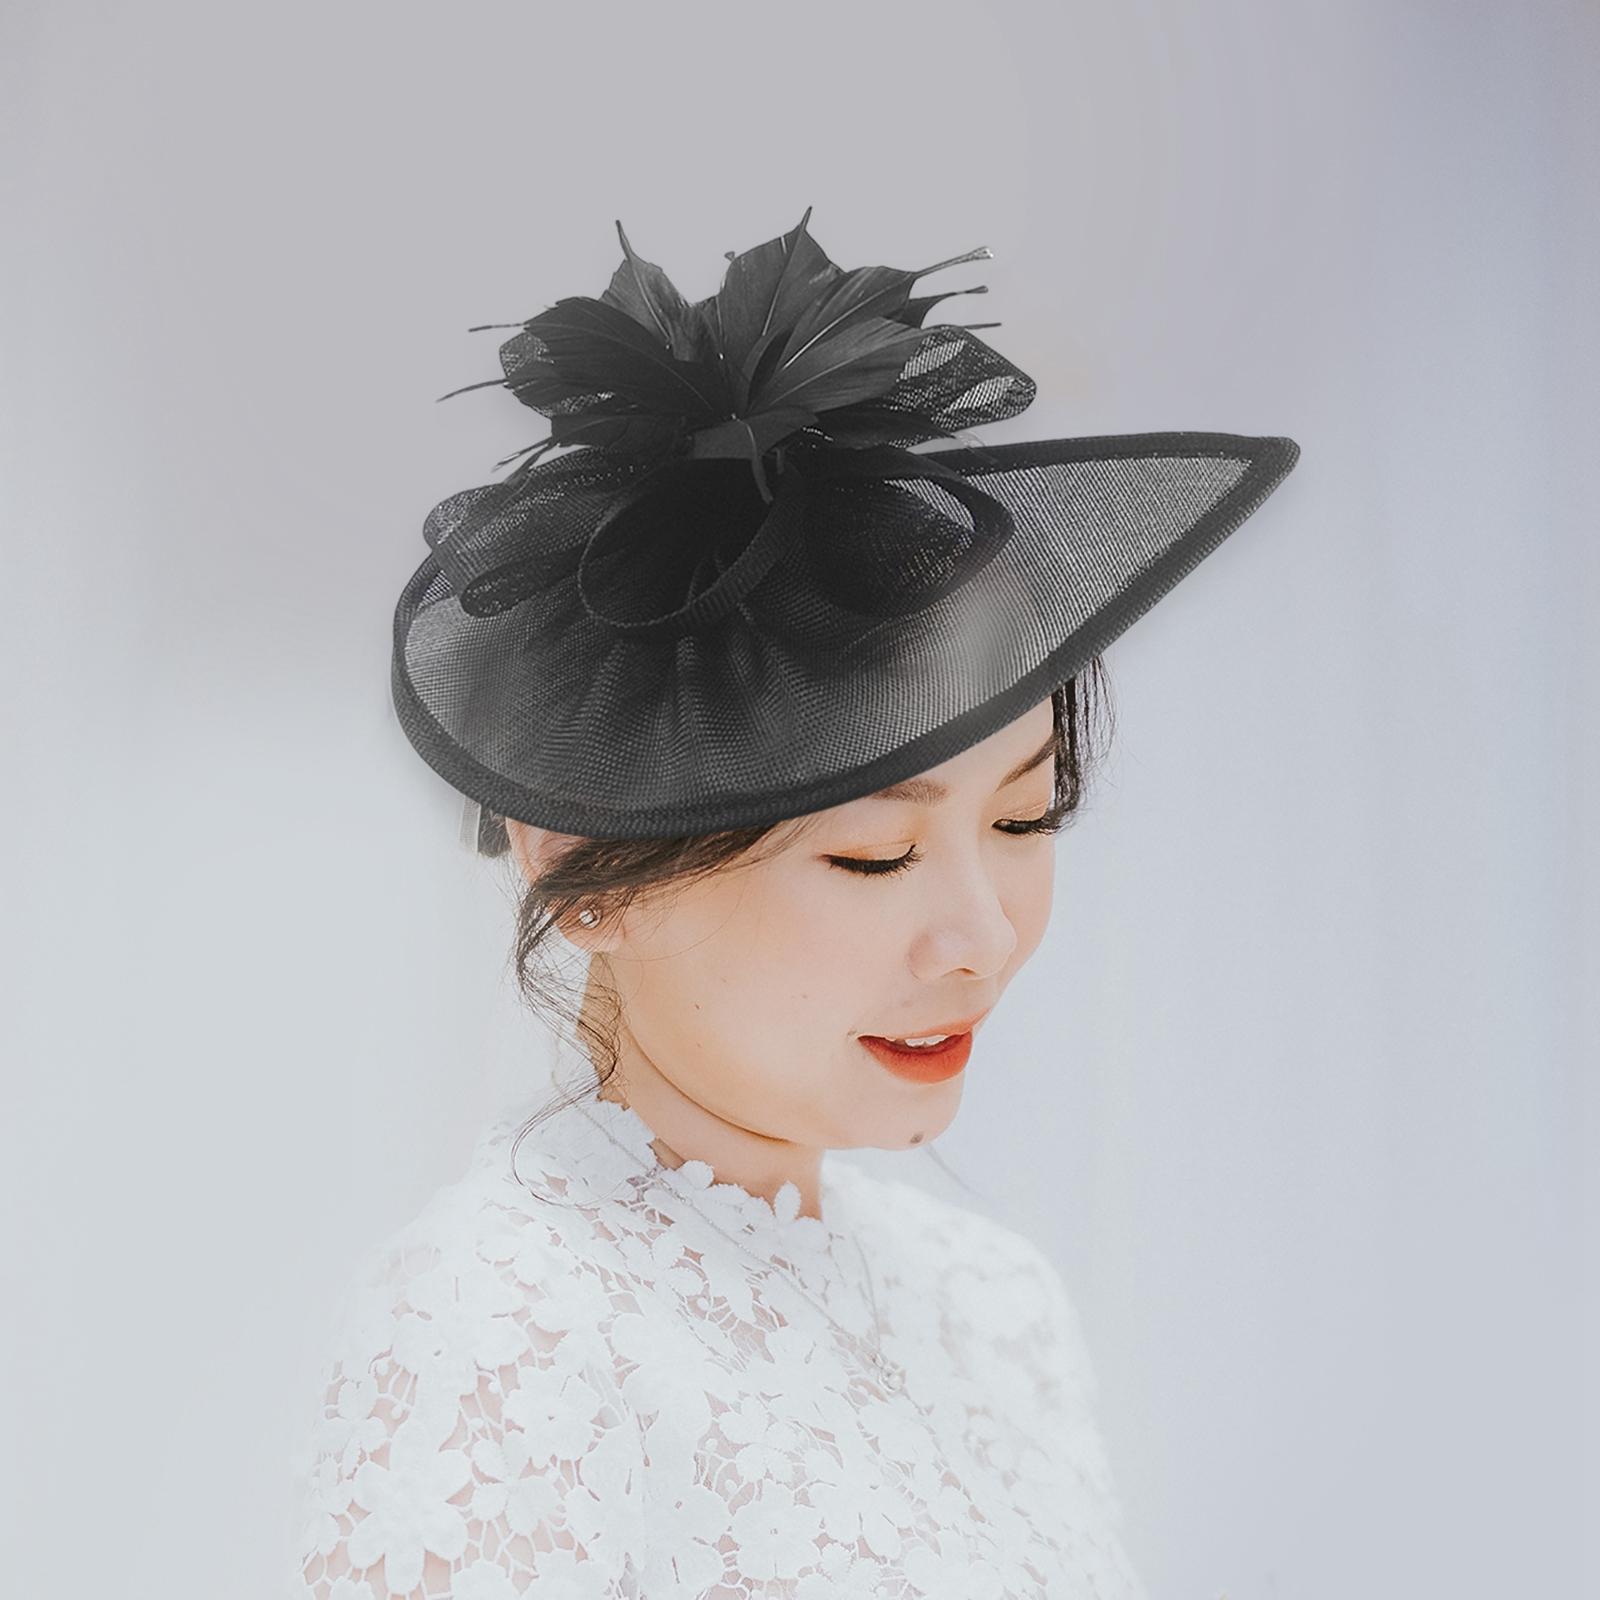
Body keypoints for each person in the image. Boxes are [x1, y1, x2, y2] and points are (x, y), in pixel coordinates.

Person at [289, 209, 1300, 1597]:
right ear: (577, 863)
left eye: (1024, 819)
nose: (985, 938)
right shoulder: (500, 1329)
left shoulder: (993, 1306)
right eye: (874, 855)